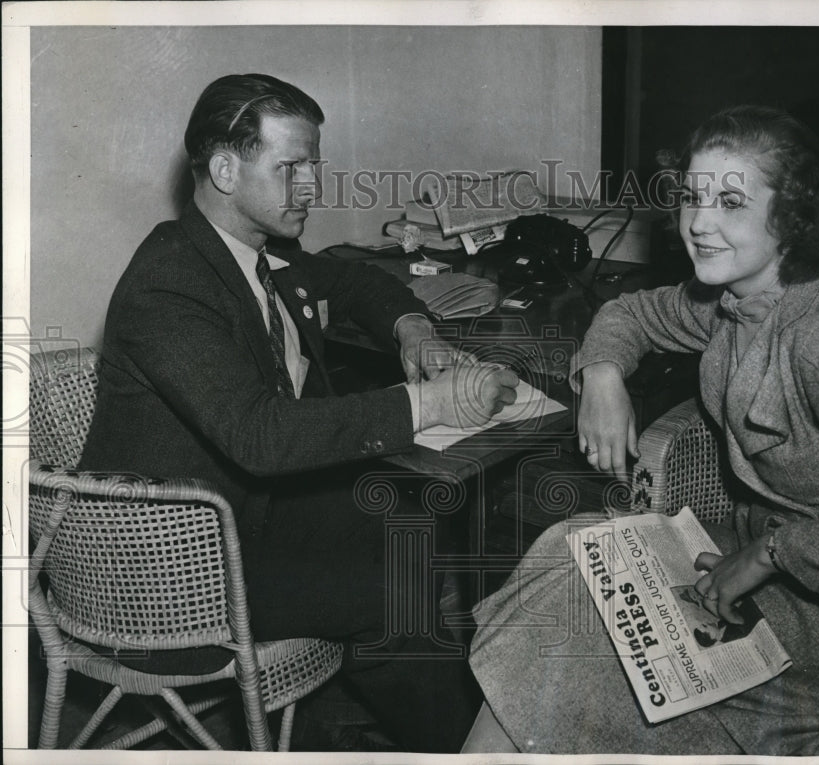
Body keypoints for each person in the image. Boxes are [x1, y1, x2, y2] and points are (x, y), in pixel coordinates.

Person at [463, 105, 819, 754]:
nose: (699, 222)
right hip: (747, 558)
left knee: (585, 645)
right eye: (692, 197)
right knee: (571, 560)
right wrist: (603, 375)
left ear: (792, 217)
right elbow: (632, 313)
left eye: (730, 201)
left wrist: (767, 556)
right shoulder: (736, 297)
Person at [79, 73, 519, 752]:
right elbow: (264, 436)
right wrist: (431, 401)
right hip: (168, 574)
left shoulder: (260, 256)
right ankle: (468, 743)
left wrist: (414, 329)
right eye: (291, 168)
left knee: (414, 514)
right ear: (226, 169)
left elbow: (354, 279)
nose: (312, 187)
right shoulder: (169, 277)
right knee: (395, 578)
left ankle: (460, 707)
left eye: (314, 166)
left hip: (241, 519)